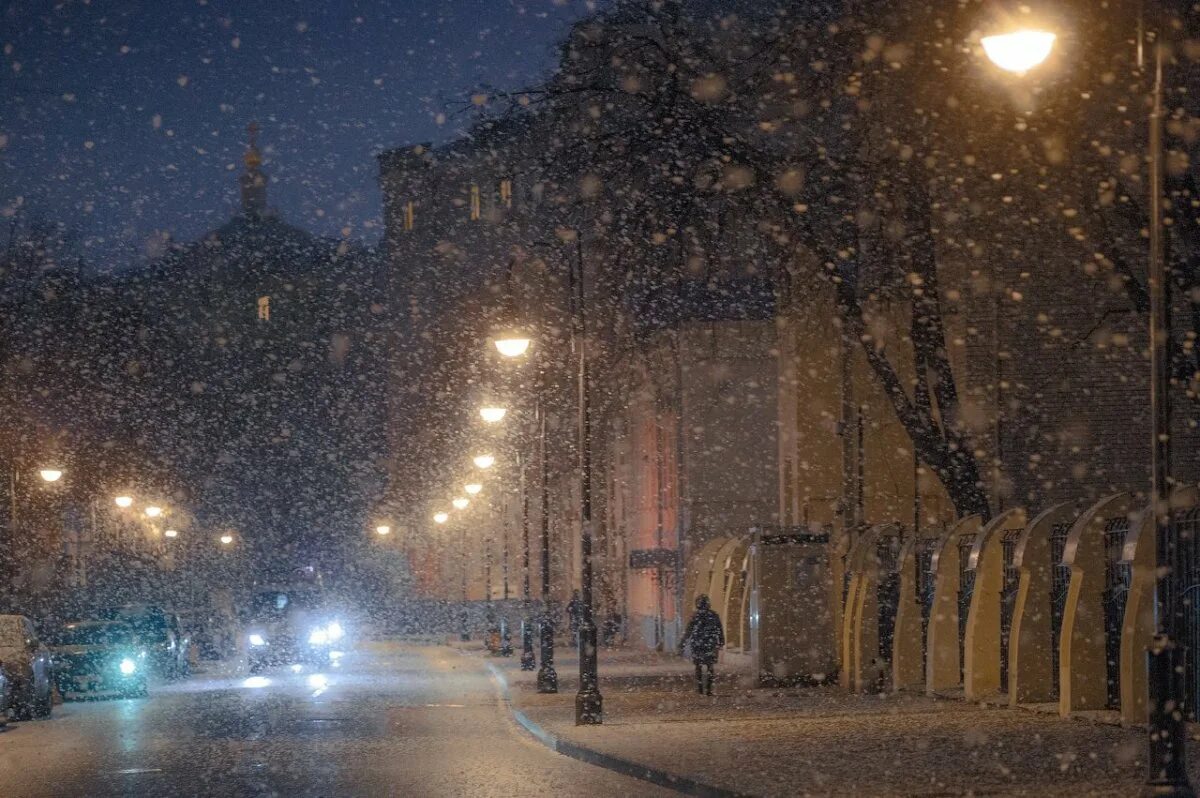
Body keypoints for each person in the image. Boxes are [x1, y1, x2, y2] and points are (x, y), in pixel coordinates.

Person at [680, 594, 724, 696]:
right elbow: (719, 629)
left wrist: (683, 642)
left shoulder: (695, 616)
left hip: (698, 644)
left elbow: (688, 631)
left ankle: (700, 690)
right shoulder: (713, 615)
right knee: (710, 667)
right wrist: (721, 641)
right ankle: (708, 690)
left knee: (698, 667)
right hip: (709, 644)